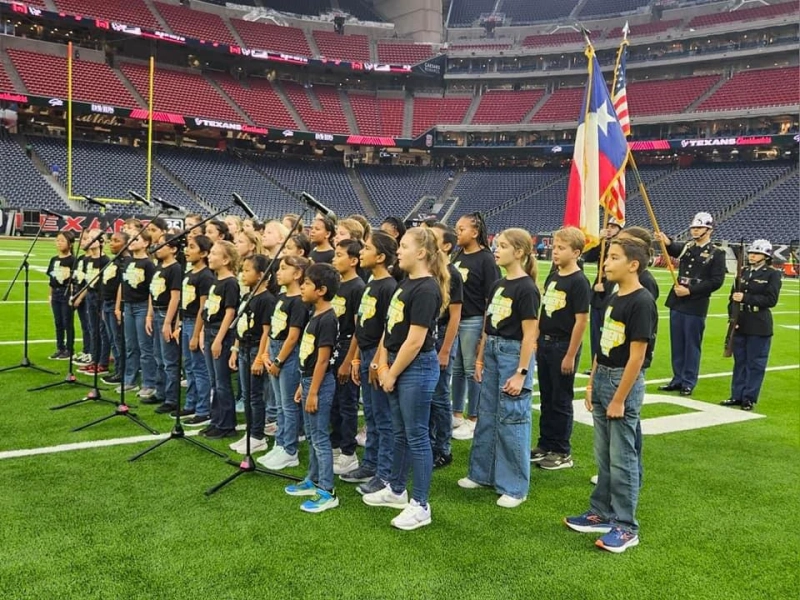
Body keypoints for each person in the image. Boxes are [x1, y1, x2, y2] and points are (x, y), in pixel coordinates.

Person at [565, 237, 656, 554]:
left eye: (614, 257)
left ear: (633, 265)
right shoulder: (615, 297)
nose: (606, 262)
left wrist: (619, 398)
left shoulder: (642, 301)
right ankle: (601, 512)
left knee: (622, 458)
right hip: (604, 376)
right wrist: (592, 382)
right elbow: (603, 344)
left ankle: (626, 526)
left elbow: (637, 357)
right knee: (604, 455)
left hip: (622, 382)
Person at [362, 228, 448, 531]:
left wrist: (392, 372)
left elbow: (415, 340)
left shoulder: (427, 288)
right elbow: (391, 328)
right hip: (398, 364)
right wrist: (382, 362)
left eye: (404, 246)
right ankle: (397, 490)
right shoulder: (405, 283)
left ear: (421, 253)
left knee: (417, 436)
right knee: (400, 433)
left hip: (416, 368)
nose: (398, 251)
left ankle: (421, 505)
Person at [460, 228, 539, 508]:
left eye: (503, 246)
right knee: (487, 414)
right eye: (497, 245)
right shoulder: (498, 284)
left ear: (519, 252)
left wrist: (521, 373)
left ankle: (515, 487)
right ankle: (482, 473)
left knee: (512, 418)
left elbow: (530, 335)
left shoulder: (527, 288)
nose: (497, 249)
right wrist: (480, 358)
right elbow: (487, 323)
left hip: (512, 354)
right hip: (493, 351)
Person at [341, 232, 397, 492]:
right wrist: (355, 358)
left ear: (381, 256)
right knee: (372, 416)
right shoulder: (371, 284)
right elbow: (360, 324)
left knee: (383, 417)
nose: (361, 252)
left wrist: (377, 362)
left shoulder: (389, 287)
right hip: (364, 353)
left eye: (366, 248)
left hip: (377, 354)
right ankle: (370, 464)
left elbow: (388, 329)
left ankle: (384, 472)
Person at [284, 263, 342, 513]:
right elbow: (309, 358)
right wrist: (303, 385)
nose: (302, 287)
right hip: (308, 381)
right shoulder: (314, 314)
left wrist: (314, 391)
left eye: (307, 284)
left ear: (321, 290)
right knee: (311, 435)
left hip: (320, 383)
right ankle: (313, 478)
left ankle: (327, 490)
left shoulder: (327, 319)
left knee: (319, 437)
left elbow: (322, 360)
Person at [532, 226, 590, 471]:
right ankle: (546, 443)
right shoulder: (554, 276)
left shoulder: (579, 281)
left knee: (561, 399)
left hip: (563, 344)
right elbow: (544, 310)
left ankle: (562, 450)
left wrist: (570, 354)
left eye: (561, 248)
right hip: (546, 342)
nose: (555, 251)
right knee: (547, 396)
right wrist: (536, 337)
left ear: (576, 252)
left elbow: (581, 320)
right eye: (554, 247)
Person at [656, 212, 725, 396]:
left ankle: (688, 381)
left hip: (695, 303)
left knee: (691, 345)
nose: (695, 231)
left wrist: (690, 291)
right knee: (677, 344)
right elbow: (674, 249)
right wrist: (666, 241)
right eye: (693, 227)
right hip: (678, 302)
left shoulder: (717, 253)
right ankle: (677, 378)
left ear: (708, 230)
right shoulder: (688, 247)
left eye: (699, 228)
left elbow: (716, 281)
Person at [451, 212, 502, 440]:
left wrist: (485, 331)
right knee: (457, 370)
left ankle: (474, 418)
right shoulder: (459, 255)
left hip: (473, 320)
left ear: (475, 232)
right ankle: (456, 413)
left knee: (472, 370)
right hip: (457, 320)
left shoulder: (486, 259)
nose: (457, 233)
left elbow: (490, 299)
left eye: (461, 229)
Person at [259, 256, 310, 470]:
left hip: (288, 356)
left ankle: (290, 450)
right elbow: (272, 329)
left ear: (297, 274)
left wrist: (279, 361)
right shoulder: (281, 296)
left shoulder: (299, 301)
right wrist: (265, 353)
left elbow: (293, 336)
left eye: (283, 268)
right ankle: (280, 444)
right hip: (274, 349)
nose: (278, 272)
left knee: (289, 406)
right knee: (280, 405)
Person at [721, 239, 782, 411]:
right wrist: (732, 319)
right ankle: (736, 395)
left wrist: (746, 298)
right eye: (751, 253)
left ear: (766, 256)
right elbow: (732, 297)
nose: (752, 255)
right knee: (740, 361)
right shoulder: (744, 271)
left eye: (757, 253)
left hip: (759, 322)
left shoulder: (772, 274)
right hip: (741, 321)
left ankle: (749, 398)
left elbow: (771, 300)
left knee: (755, 363)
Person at [229, 255, 276, 454]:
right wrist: (235, 348)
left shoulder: (267, 300)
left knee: (256, 396)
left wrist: (260, 357)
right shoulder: (247, 296)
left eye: (247, 270)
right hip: (244, 347)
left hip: (256, 348)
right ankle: (250, 432)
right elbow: (241, 323)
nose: (243, 274)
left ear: (261, 275)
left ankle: (258, 436)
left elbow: (267, 331)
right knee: (247, 395)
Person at [330, 240, 365, 476]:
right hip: (333, 346)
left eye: (339, 255)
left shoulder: (357, 287)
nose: (334, 259)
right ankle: (335, 444)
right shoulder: (337, 285)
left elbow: (357, 329)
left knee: (347, 402)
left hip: (346, 348)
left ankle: (348, 452)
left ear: (353, 260)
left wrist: (350, 359)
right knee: (333, 401)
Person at [428, 224, 462, 468]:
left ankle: (443, 448)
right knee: (427, 396)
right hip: (428, 335)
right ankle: (429, 444)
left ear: (447, 246)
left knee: (439, 396)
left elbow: (455, 316)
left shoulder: (452, 274)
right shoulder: (427, 270)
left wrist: (446, 350)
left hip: (441, 337)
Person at [200, 240, 241, 439]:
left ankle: (227, 424)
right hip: (210, 331)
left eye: (215, 253)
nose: (210, 256)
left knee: (222, 381)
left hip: (220, 334)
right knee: (214, 380)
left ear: (226, 260)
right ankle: (216, 419)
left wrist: (218, 339)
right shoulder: (216, 280)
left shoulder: (231, 283)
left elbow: (230, 313)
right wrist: (203, 332)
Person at [116, 229, 157, 396]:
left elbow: (152, 291)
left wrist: (149, 314)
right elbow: (122, 284)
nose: (131, 241)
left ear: (146, 243)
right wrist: (118, 306)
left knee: (145, 347)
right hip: (128, 306)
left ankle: (149, 383)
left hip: (142, 307)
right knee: (130, 345)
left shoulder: (149, 265)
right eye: (131, 239)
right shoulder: (128, 262)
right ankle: (130, 380)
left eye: (136, 239)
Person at [179, 235, 215, 427]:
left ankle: (203, 409)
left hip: (196, 323)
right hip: (186, 321)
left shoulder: (206, 276)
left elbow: (203, 307)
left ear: (203, 253)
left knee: (199, 368)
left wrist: (196, 334)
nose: (187, 250)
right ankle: (191, 403)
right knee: (189, 366)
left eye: (192, 247)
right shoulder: (189, 273)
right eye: (187, 246)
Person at [147, 234, 183, 414]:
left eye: (163, 245)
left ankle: (171, 398)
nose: (158, 247)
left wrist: (168, 322)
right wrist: (149, 315)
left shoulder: (175, 269)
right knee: (158, 356)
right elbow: (152, 292)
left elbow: (175, 297)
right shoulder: (158, 266)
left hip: (166, 313)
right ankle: (160, 391)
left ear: (173, 249)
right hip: (156, 311)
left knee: (169, 360)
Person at [584, 217, 624, 364]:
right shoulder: (603, 243)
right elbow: (588, 257)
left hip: (611, 288)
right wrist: (598, 240)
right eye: (608, 226)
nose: (609, 229)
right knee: (595, 331)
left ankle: (604, 362)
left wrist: (606, 286)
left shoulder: (622, 247)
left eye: (613, 227)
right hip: (598, 288)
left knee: (607, 330)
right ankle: (595, 363)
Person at [100, 232, 126, 383]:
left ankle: (121, 372)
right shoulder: (113, 260)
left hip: (115, 305)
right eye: (111, 240)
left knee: (118, 340)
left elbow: (121, 287)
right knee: (112, 338)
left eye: (117, 241)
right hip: (107, 303)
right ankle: (117, 370)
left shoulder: (125, 263)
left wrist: (117, 307)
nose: (112, 243)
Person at [47, 231, 76, 360]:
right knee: (58, 322)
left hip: (66, 293)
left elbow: (74, 281)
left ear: (70, 244)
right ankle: (60, 347)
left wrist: (72, 295)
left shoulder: (73, 260)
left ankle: (69, 349)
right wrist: (50, 295)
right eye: (57, 240)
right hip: (56, 293)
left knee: (67, 322)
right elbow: (51, 279)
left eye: (62, 240)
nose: (59, 243)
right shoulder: (54, 259)